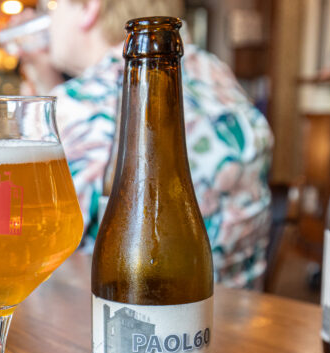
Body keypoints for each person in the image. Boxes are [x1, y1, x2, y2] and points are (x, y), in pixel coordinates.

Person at [18, 0, 273, 289]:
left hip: (119, 304)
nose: (48, 22)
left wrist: (36, 103)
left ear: (89, 7)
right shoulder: (217, 74)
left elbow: (30, 243)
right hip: (241, 304)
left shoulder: (78, 106)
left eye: (50, 8)